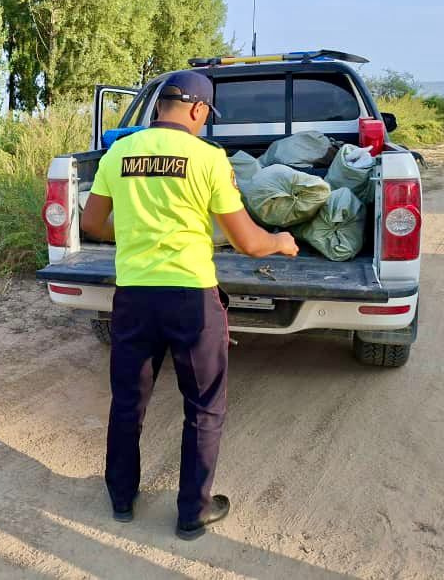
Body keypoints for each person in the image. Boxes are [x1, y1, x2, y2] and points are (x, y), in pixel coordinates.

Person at [81, 69, 298, 540]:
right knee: (204, 407)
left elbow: (93, 224)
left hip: (134, 298)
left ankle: (121, 498)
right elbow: (247, 243)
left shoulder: (119, 153)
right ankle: (192, 512)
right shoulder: (208, 158)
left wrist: (138, 230)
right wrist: (281, 242)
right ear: (198, 109)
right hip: (191, 302)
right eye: (206, 115)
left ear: (160, 106)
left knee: (128, 401)